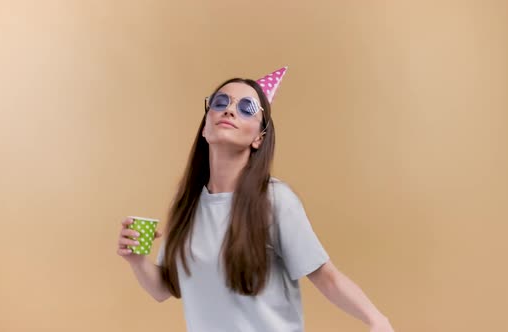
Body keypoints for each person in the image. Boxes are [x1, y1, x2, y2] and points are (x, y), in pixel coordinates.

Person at [117, 67, 395, 332]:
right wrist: (137, 261)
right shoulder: (188, 204)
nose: (228, 110)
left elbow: (326, 277)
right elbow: (163, 289)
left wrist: (376, 319)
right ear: (204, 127)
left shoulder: (275, 201)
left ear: (259, 138)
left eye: (246, 108)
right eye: (220, 102)